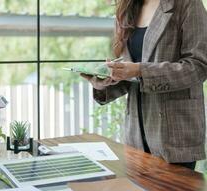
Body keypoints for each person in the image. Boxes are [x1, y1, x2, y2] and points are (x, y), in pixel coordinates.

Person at [82, 0, 207, 170]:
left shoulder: (187, 4)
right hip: (135, 134)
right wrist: (105, 81)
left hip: (174, 134)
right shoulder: (127, 9)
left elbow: (198, 67)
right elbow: (130, 72)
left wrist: (140, 70)